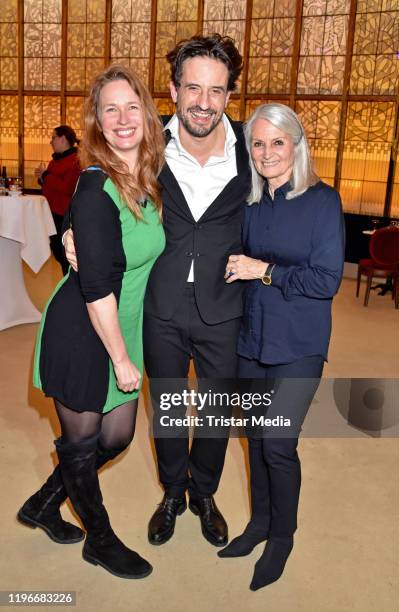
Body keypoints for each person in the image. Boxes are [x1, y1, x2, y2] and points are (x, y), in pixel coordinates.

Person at [64, 34, 251, 548]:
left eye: (216, 90)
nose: (203, 102)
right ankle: (172, 490)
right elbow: (99, 194)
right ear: (173, 90)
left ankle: (205, 493)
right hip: (160, 305)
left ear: (230, 96)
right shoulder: (147, 145)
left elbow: (284, 208)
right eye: (193, 88)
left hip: (224, 304)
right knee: (166, 407)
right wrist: (68, 234)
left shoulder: (250, 151)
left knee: (216, 410)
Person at [18, 64, 165, 580]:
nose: (123, 118)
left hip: (118, 327)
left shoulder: (144, 179)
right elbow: (97, 286)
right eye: (110, 109)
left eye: (132, 107)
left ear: (147, 115)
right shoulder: (96, 188)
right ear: (96, 123)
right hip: (86, 331)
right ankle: (99, 540)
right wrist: (122, 358)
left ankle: (40, 503)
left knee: (117, 438)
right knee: (82, 444)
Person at [217, 103, 345, 590]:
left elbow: (326, 279)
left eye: (277, 142)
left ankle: (282, 538)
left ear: (296, 145)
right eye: (258, 142)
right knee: (253, 440)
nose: (267, 152)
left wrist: (263, 270)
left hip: (299, 345)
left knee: (277, 444)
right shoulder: (249, 202)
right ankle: (258, 524)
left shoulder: (322, 201)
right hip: (251, 340)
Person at [35, 125, 81, 275]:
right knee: (57, 253)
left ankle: (70, 286)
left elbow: (67, 188)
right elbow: (51, 187)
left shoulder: (76, 160)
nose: (51, 141)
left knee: (65, 256)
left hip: (64, 215)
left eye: (53, 137)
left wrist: (47, 175)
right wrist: (42, 178)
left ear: (63, 139)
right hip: (51, 213)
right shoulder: (54, 161)